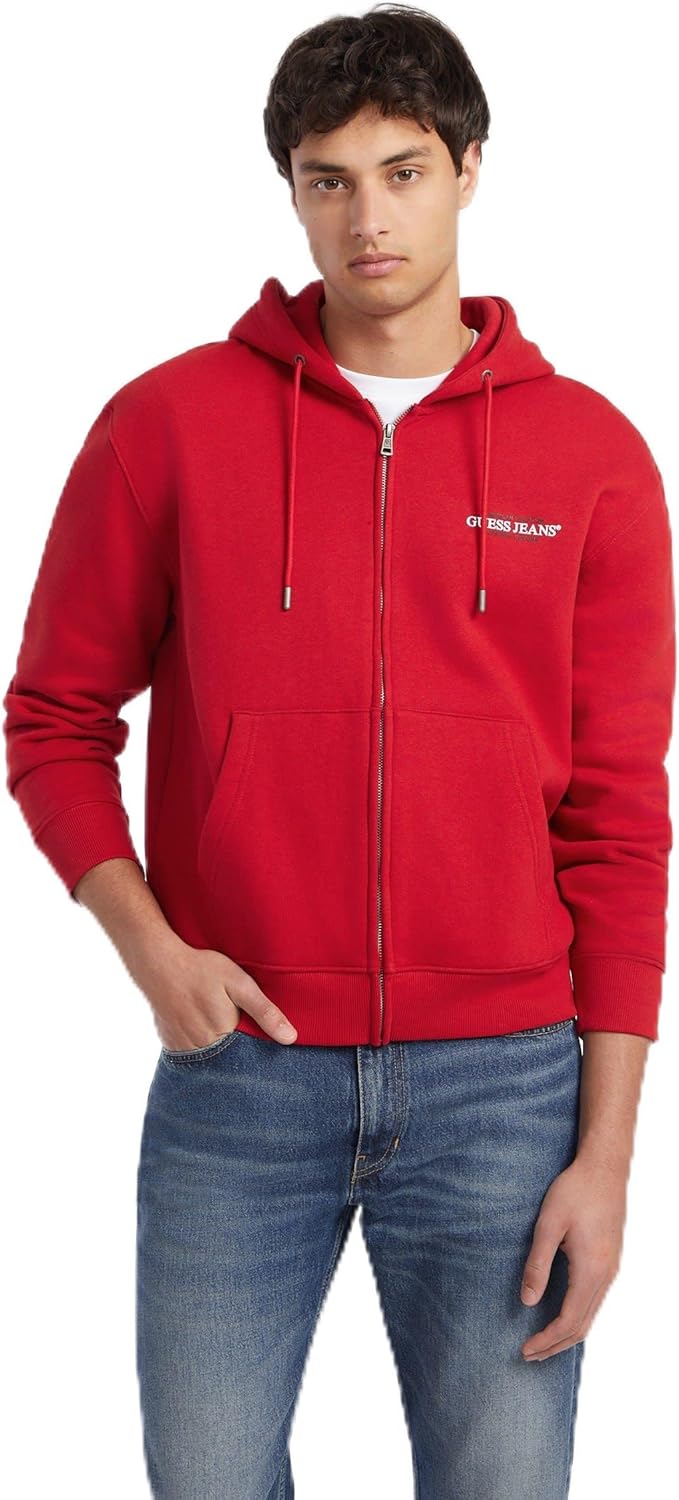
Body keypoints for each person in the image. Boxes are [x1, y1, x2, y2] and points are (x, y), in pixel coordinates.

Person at [3, 5, 675, 1497]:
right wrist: (151, 954)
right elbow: (51, 720)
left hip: (506, 1088)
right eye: (330, 180)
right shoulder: (166, 427)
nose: (368, 219)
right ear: (293, 191)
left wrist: (608, 1155)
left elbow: (624, 822)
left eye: (404, 172)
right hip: (241, 1067)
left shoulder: (593, 459)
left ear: (469, 171)